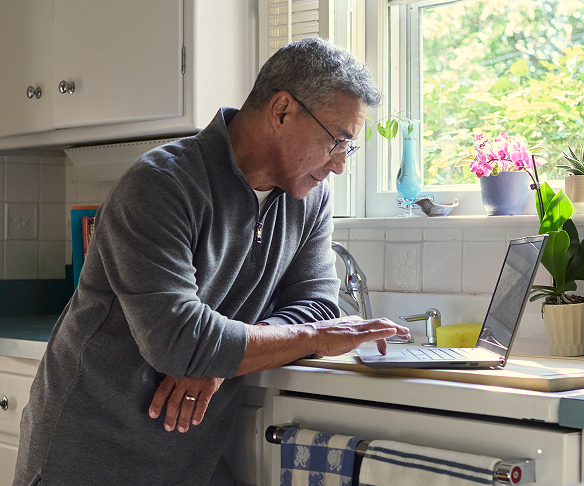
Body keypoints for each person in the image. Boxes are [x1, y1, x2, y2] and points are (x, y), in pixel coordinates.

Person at [13, 37, 410, 486]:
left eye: (348, 148)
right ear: (282, 110)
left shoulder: (310, 198)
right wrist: (290, 341)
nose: (339, 165)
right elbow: (178, 341)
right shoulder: (161, 184)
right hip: (86, 455)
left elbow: (318, 305)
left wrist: (224, 356)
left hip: (187, 460)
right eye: (337, 140)